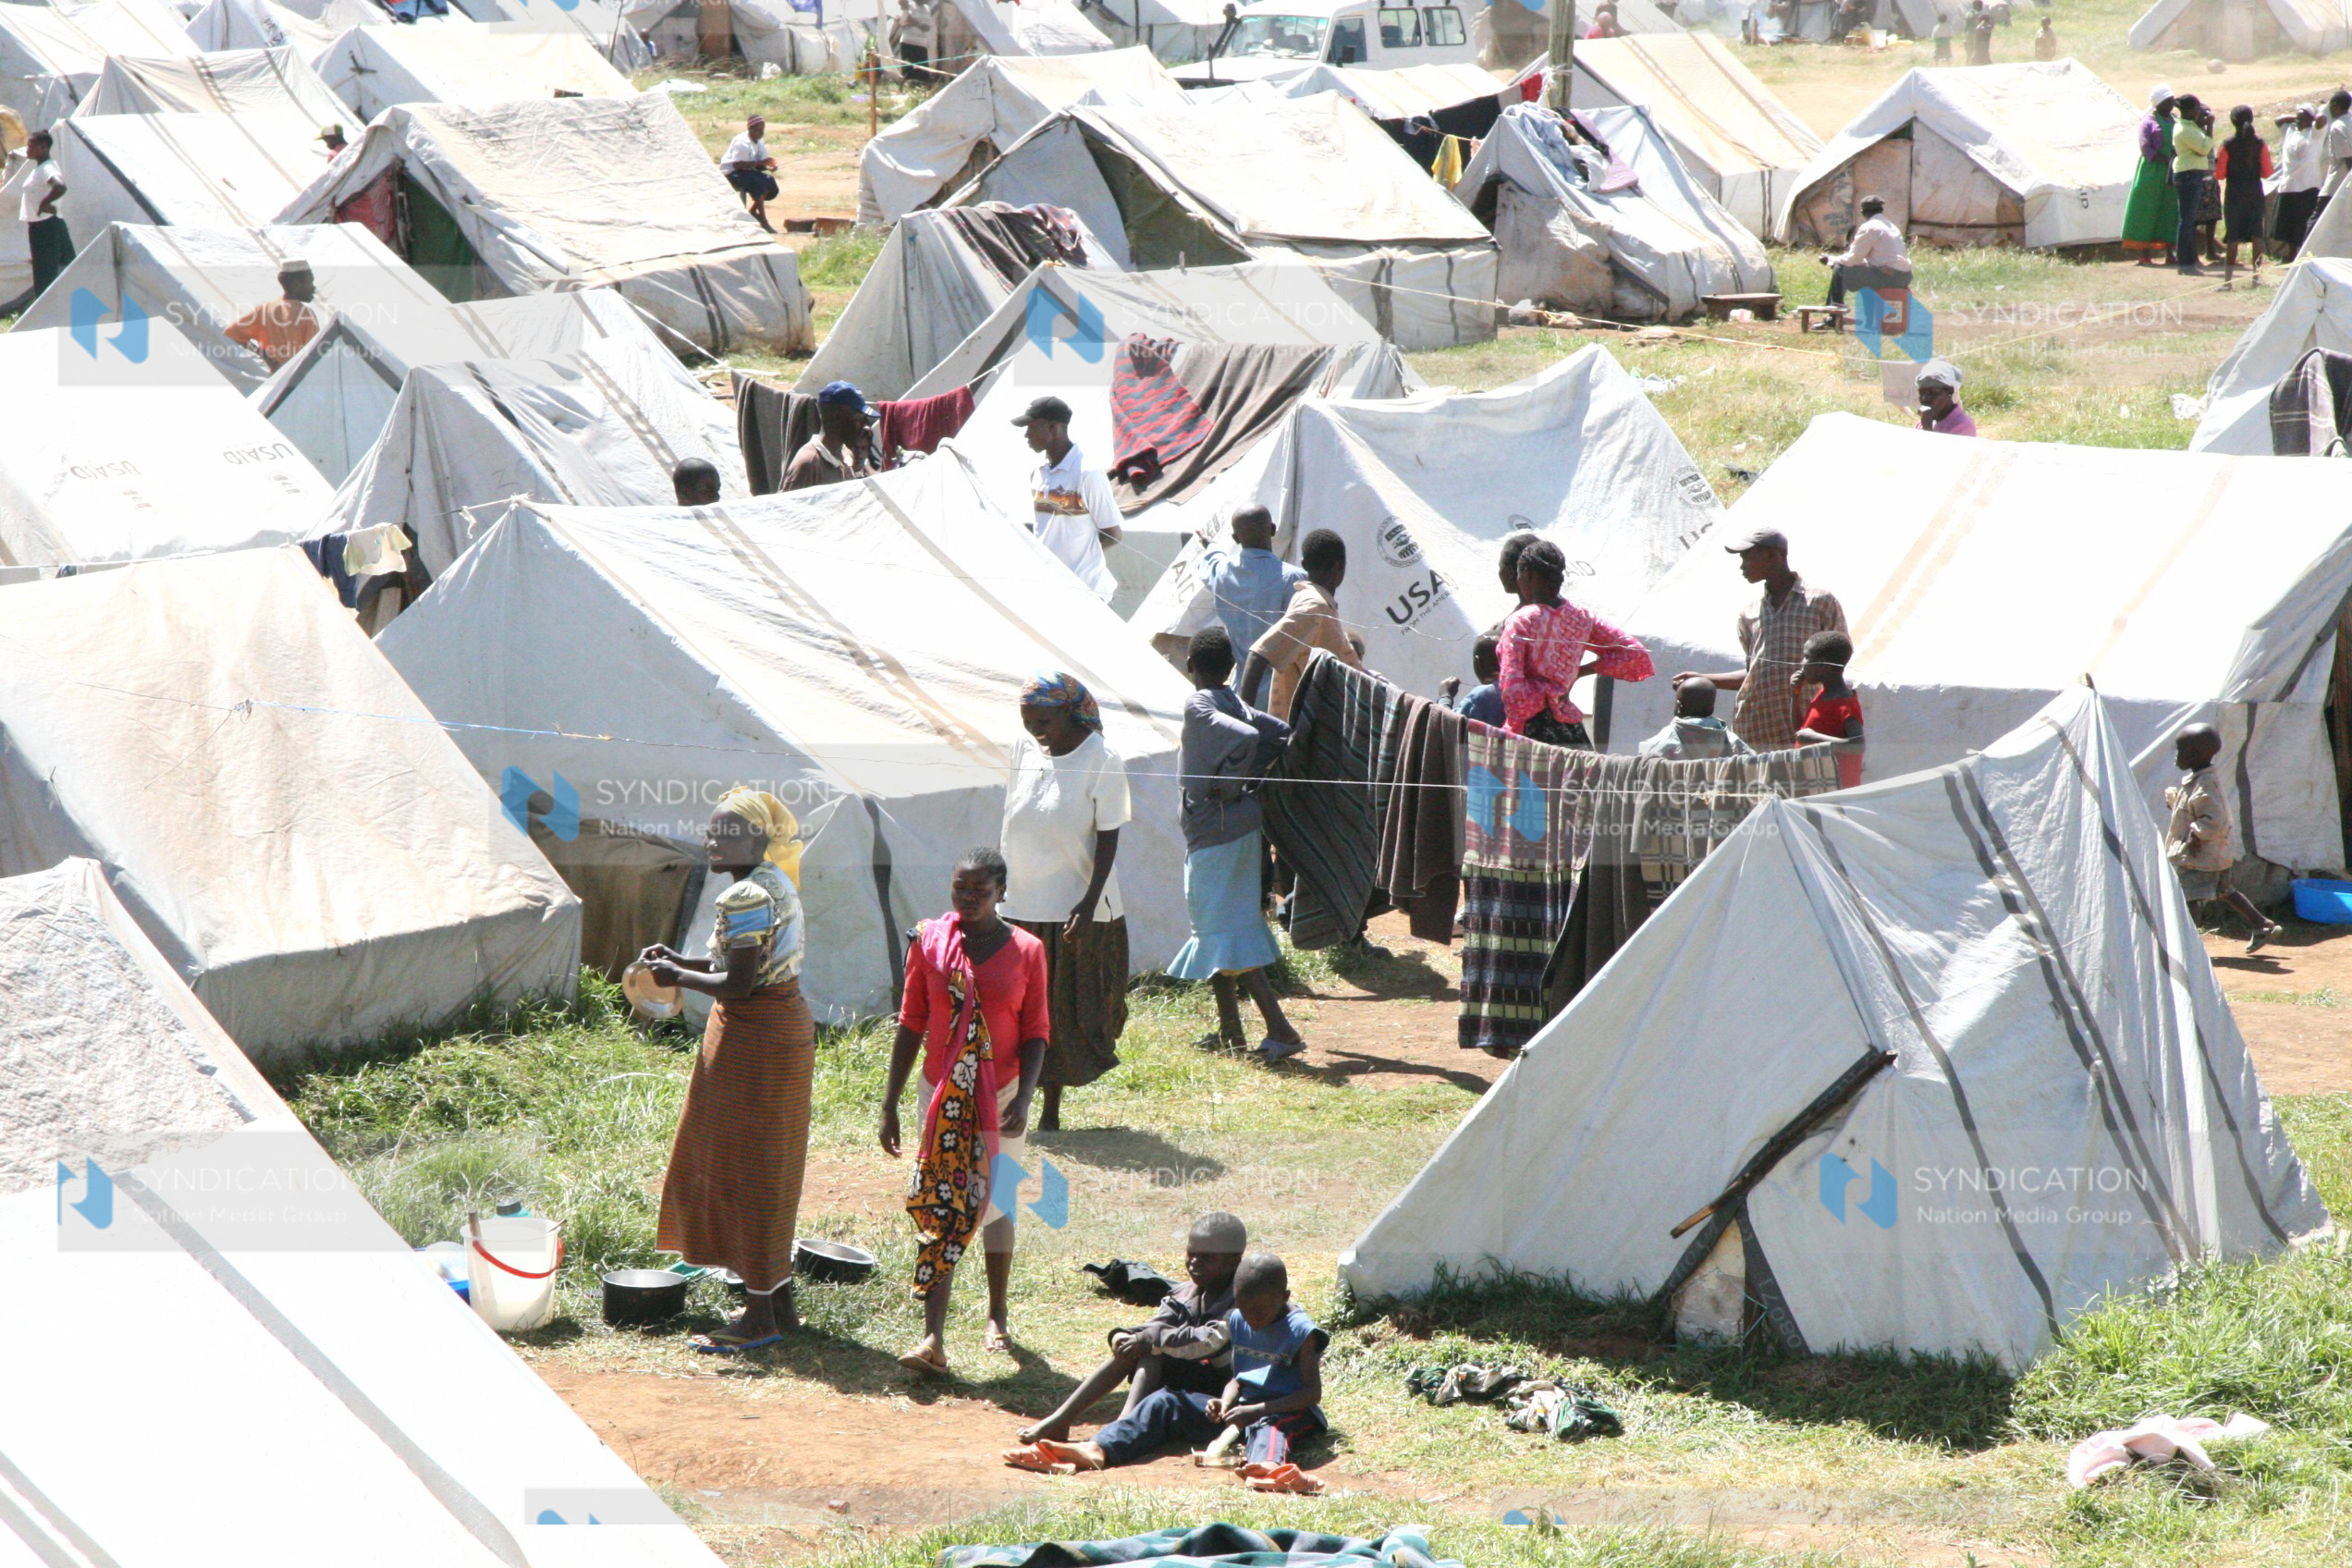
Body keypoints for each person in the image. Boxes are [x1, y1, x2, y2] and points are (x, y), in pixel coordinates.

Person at [641, 790, 814, 1353]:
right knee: (771, 1164)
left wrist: (677, 979)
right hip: (780, 1028)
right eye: (711, 831)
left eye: (726, 833)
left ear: (759, 839)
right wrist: (683, 962)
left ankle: (758, 1314)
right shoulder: (776, 881)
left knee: (744, 1166)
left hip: (753, 1036)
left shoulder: (743, 893)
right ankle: (777, 1299)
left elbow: (738, 984)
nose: (712, 840)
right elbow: (747, 965)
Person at [882, 848, 1051, 1372]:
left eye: (980, 890)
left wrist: (1024, 1098)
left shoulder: (1027, 950)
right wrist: (889, 1103)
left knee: (997, 1202)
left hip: (1000, 1094)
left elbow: (1037, 1030)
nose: (969, 898)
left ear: (1002, 891)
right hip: (939, 1095)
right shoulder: (931, 946)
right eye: (961, 889)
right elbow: (911, 1022)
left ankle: (997, 1314)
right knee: (941, 1204)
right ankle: (933, 1338)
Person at [999, 1251, 1327, 1482]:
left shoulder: (1300, 1331)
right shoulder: (1239, 1318)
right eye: (1242, 1307)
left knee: (1268, 1423)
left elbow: (1311, 1394)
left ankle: (1268, 1467)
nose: (1250, 1318)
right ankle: (1098, 1448)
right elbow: (1239, 1379)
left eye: (1259, 1310)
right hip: (1241, 1411)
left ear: (1284, 1297)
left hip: (1288, 1409)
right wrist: (1225, 1402)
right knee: (1166, 1400)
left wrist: (1255, 1411)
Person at [1168, 627, 1304, 1064]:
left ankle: (1281, 1031)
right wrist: (1247, 780)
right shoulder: (1234, 701)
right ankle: (1230, 1031)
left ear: (1191, 666)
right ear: (1231, 667)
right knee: (1219, 932)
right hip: (1241, 829)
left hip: (1215, 832)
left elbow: (1246, 739)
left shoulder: (1199, 704)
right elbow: (1280, 733)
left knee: (1224, 932)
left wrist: (1229, 780)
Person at [1000, 672, 1130, 1132]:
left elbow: (1110, 837)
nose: (1035, 728)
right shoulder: (1022, 750)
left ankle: (1050, 1111)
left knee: (1059, 1012)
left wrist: (1088, 902)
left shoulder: (1101, 758)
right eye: (1028, 719)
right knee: (1016, 1011)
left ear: (1071, 713)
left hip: (1071, 909)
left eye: (1044, 719)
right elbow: (1012, 820)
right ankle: (1011, 1103)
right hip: (1019, 905)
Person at [1011, 1212, 1249, 1448]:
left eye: (1208, 1258)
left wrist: (1148, 1340)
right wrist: (1124, 1336)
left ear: (1234, 1261)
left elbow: (1208, 1341)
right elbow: (1157, 1326)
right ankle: (1061, 1420)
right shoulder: (1184, 1293)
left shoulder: (1244, 1301)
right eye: (1191, 1253)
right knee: (1142, 1349)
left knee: (1151, 1348)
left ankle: (1121, 1427)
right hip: (1193, 1376)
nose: (1194, 1262)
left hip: (1222, 1397)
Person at [1672, 527, 1847, 753]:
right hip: (1756, 728)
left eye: (1746, 557)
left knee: (1807, 787)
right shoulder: (1750, 613)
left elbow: (1840, 661)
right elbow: (1753, 672)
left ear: (1772, 556)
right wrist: (1704, 678)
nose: (1742, 566)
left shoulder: (1820, 602)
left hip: (1805, 726)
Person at [1496, 539, 1653, 749]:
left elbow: (1512, 692)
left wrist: (1545, 694)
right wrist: (1579, 672)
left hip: (1531, 734)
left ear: (1529, 576)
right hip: (1571, 732)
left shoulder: (1521, 621)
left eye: (1519, 573)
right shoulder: (1582, 617)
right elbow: (1635, 654)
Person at [2166, 724, 2283, 953]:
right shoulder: (2199, 782)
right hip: (2215, 854)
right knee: (2225, 889)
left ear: (2194, 754)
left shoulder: (2205, 787)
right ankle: (2262, 924)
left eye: (2181, 751)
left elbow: (2215, 821)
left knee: (2190, 897)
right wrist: (2175, 802)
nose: (2177, 757)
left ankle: (2189, 948)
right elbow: (2196, 810)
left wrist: (2195, 833)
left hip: (2199, 856)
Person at [1240, 530, 1362, 722]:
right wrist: (1243, 720)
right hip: (1304, 734)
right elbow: (1259, 654)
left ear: (1304, 564)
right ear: (1340, 566)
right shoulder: (1314, 606)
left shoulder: (1316, 602)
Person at [1197, 505, 1305, 707]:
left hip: (1243, 688)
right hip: (1284, 692)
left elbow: (1212, 561)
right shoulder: (1295, 578)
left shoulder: (1222, 572)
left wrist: (1210, 544)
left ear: (1236, 539)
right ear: (1272, 529)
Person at [1016, 396, 1121, 603]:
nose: (1026, 434)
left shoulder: (1088, 473)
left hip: (1086, 593)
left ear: (1054, 427)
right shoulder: (1037, 473)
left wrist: (1079, 559)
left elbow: (1113, 533)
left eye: (1033, 426)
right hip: (1050, 589)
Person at [1791, 631, 1865, 789]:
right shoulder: (1823, 695)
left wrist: (1814, 738)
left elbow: (1858, 745)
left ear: (1822, 664)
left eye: (1807, 657)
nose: (1802, 663)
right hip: (1816, 784)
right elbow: (1801, 733)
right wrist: (1795, 695)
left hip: (1837, 791)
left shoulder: (1844, 704)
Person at [2, 130, 71, 299]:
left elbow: (60, 186)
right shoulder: (39, 168)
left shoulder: (47, 167)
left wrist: (45, 203)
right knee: (47, 269)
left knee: (45, 272)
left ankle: (47, 312)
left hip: (46, 226)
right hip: (41, 226)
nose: (27, 148)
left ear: (43, 147)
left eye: (31, 145)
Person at [223, 258, 324, 370]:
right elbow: (316, 356)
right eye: (310, 282)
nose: (313, 288)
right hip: (299, 381)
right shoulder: (306, 314)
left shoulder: (264, 309)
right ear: (296, 285)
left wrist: (265, 356)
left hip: (275, 381)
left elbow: (232, 333)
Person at [2215, 105, 2272, 289]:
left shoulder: (2227, 145)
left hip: (2234, 196)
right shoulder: (2260, 144)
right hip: (2255, 194)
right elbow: (2267, 172)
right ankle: (2256, 279)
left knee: (2233, 238)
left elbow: (2220, 175)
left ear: (2233, 122)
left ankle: (2228, 282)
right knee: (2257, 236)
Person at [1819, 195, 1911, 309]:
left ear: (1862, 212)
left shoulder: (1870, 227)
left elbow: (1852, 260)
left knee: (1840, 269)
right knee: (1853, 269)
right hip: (1904, 276)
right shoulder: (1891, 226)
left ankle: (1834, 312)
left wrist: (1831, 260)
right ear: (1881, 210)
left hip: (1887, 276)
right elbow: (1873, 259)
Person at [781, 381, 875, 492]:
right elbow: (787, 507)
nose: (864, 426)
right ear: (839, 416)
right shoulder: (809, 463)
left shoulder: (845, 454)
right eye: (859, 419)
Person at [2123, 88, 2180, 266]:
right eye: (2167, 102)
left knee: (2169, 210)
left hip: (2171, 170)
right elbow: (2145, 146)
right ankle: (2144, 252)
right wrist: (2164, 159)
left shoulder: (2175, 120)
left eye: (2172, 101)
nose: (2171, 105)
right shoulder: (2147, 122)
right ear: (2157, 103)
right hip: (2152, 170)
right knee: (2147, 209)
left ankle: (2170, 252)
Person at [1637, 676, 1755, 761]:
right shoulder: (1733, 741)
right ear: (1711, 709)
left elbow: (1646, 766)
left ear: (1679, 706)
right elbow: (1752, 765)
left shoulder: (1663, 740)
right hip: (1721, 794)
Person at [2172, 94, 2214, 276]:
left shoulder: (2189, 126)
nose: (2199, 113)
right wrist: (2210, 126)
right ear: (2190, 111)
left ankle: (2187, 262)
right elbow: (2205, 149)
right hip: (2189, 175)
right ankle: (2185, 264)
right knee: (2187, 222)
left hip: (2190, 174)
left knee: (2187, 221)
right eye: (2197, 110)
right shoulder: (2185, 130)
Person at [2276, 105, 2323, 259]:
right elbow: (2278, 120)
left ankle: (2304, 256)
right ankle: (2289, 256)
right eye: (2297, 118)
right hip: (2289, 185)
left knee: (2303, 225)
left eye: (2302, 119)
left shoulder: (2315, 134)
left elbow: (2322, 120)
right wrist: (2296, 117)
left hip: (2307, 186)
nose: (2298, 121)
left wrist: (2311, 118)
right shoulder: (2291, 131)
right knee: (2288, 225)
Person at [721, 114, 780, 232]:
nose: (761, 132)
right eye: (758, 130)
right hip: (732, 173)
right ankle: (763, 221)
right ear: (750, 129)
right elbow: (737, 165)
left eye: (762, 130)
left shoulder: (759, 142)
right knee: (757, 183)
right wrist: (760, 163)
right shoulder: (741, 142)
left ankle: (753, 211)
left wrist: (769, 166)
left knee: (769, 181)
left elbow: (759, 165)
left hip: (747, 172)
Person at [1441, 632, 1506, 729]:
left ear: (1478, 663)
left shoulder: (1481, 697)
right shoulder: (1530, 683)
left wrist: (1445, 696)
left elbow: (1446, 727)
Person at [1916, 358, 1976, 435]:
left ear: (1950, 391)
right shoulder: (1921, 424)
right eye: (1922, 393)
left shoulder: (1963, 426)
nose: (1925, 398)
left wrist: (1927, 428)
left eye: (1933, 393)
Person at [2320, 91, 2352, 228]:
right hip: (2345, 184)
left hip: (2337, 184)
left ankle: (2309, 250)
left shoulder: (2337, 126)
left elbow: (2348, 157)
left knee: (2317, 222)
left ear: (2335, 105)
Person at [1965, 0, 1992, 64]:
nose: (1981, 7)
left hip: (1968, 33)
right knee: (1975, 49)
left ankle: (1967, 63)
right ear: (1977, 6)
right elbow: (1978, 25)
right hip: (1975, 34)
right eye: (1980, 6)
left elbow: (1966, 26)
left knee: (1969, 50)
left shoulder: (1968, 13)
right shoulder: (1977, 14)